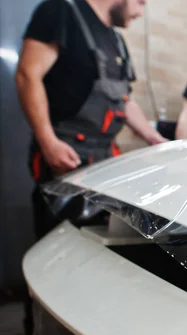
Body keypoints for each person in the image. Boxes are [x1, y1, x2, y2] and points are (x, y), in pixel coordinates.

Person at [16, 0, 168, 240]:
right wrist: (48, 142)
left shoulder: (116, 40)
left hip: (104, 165)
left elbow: (124, 100)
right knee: (58, 246)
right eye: (140, 3)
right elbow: (28, 75)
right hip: (64, 159)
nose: (141, 12)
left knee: (94, 245)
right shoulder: (61, 12)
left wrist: (154, 138)